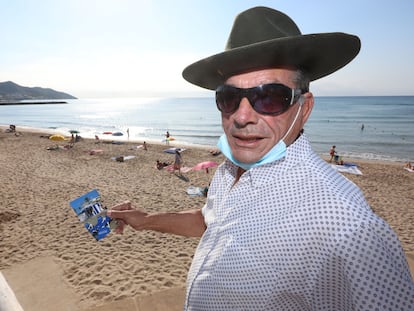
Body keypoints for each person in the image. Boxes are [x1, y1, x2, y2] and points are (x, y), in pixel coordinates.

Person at [108, 7, 414, 310]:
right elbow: (211, 221)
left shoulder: (348, 226)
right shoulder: (231, 171)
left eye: (269, 97)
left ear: (304, 108)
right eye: (229, 97)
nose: (241, 117)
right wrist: (146, 221)